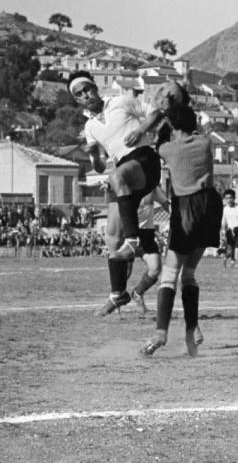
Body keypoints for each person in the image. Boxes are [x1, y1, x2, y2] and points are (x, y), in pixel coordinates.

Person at [71, 70, 165, 316]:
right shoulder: (90, 127)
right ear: (77, 100)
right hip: (122, 172)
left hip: (144, 160)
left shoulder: (121, 101)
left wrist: (141, 128)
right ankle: (118, 293)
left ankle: (133, 241)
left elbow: (155, 111)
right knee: (112, 237)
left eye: (87, 89)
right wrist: (92, 154)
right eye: (79, 94)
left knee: (116, 177)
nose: (85, 95)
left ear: (95, 88)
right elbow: (100, 166)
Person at [141, 99, 221, 357]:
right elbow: (196, 131)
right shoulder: (205, 142)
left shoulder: (168, 150)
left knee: (170, 272)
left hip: (185, 207)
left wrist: (163, 126)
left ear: (173, 126)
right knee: (189, 273)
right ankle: (192, 329)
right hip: (210, 206)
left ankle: (160, 333)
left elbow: (157, 144)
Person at [129, 186, 169, 314]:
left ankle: (137, 293)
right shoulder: (127, 184)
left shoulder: (152, 187)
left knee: (155, 268)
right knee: (125, 271)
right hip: (128, 233)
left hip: (147, 234)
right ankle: (116, 301)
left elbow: (166, 204)